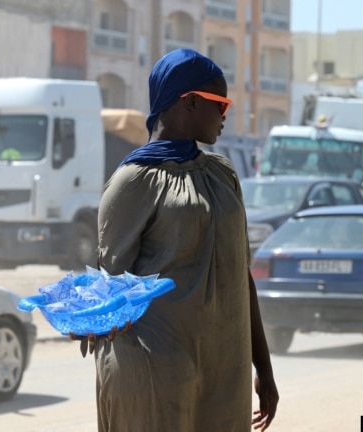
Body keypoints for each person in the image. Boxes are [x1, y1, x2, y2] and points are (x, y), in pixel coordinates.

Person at [86, 49, 279, 431]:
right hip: (155, 376)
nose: (226, 116)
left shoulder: (222, 175)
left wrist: (264, 368)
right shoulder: (133, 181)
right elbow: (110, 286)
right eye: (220, 104)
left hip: (223, 374)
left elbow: (242, 278)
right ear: (190, 102)